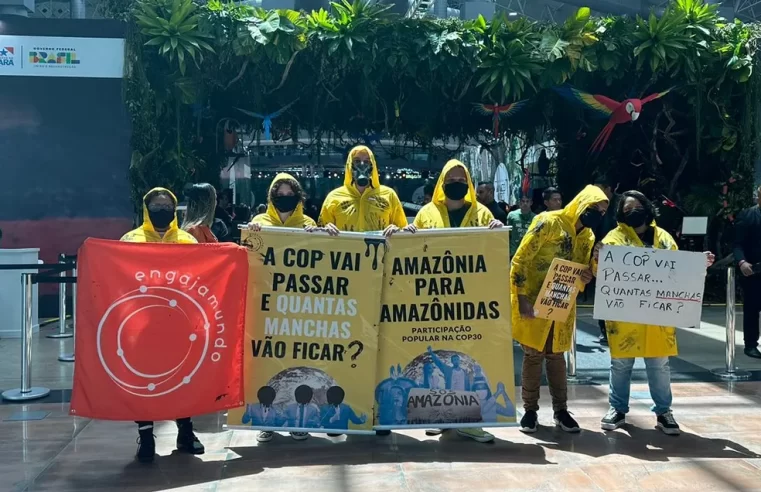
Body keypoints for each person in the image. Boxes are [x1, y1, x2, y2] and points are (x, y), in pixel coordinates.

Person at [398, 159, 503, 443]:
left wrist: (496, 230)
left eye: (461, 179)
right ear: (442, 183)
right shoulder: (426, 213)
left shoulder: (482, 213)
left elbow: (491, 252)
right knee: (437, 359)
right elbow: (413, 250)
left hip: (470, 300)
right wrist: (408, 235)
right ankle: (439, 416)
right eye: (450, 179)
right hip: (434, 300)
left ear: (467, 182)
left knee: (466, 361)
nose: (456, 184)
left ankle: (469, 421)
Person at [593, 191, 714, 435]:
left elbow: (680, 269)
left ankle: (663, 412)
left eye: (637, 206)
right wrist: (598, 259)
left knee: (659, 365)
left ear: (648, 208)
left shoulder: (664, 237)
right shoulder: (613, 238)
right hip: (625, 317)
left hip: (659, 316)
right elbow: (599, 273)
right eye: (627, 209)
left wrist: (699, 263)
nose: (633, 212)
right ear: (620, 214)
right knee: (620, 364)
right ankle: (617, 409)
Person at [511, 184, 609, 434]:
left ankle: (561, 410)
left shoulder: (587, 236)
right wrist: (521, 298)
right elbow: (520, 260)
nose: (598, 213)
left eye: (602, 210)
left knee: (556, 356)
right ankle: (530, 410)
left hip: (563, 301)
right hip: (534, 300)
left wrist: (592, 269)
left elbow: (586, 271)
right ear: (581, 203)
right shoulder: (548, 222)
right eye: (594, 207)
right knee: (533, 355)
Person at [120, 187, 204, 463]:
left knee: (183, 378)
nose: (161, 208)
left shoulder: (187, 241)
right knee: (143, 380)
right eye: (156, 204)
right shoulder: (130, 241)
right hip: (142, 324)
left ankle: (186, 432)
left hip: (180, 324)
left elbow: (201, 278)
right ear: (147, 208)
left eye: (167, 204)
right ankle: (145, 436)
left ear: (174, 208)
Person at [247, 173, 315, 441]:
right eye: (280, 193)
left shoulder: (308, 223)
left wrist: (324, 234)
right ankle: (268, 421)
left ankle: (299, 421)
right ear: (271, 197)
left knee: (298, 362)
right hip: (267, 306)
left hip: (298, 306)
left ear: (298, 197)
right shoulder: (258, 223)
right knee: (267, 362)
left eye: (290, 194)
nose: (284, 198)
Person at [318, 145, 408, 236]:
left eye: (367, 161)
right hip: (346, 249)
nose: (362, 165)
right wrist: (324, 229)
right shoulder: (333, 197)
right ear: (350, 165)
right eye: (356, 161)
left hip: (379, 249)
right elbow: (320, 235)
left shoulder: (389, 195)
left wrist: (397, 230)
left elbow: (403, 230)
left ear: (372, 165)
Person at [733, 186, 761, 359]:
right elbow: (736, 243)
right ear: (758, 197)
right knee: (752, 309)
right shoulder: (747, 216)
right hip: (753, 271)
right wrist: (742, 262)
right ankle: (750, 344)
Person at [593, 175, 620, 344]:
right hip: (599, 253)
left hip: (620, 254)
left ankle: (617, 328)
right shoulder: (594, 205)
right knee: (602, 293)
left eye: (600, 189)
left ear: (609, 189)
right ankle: (603, 330)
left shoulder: (621, 204)